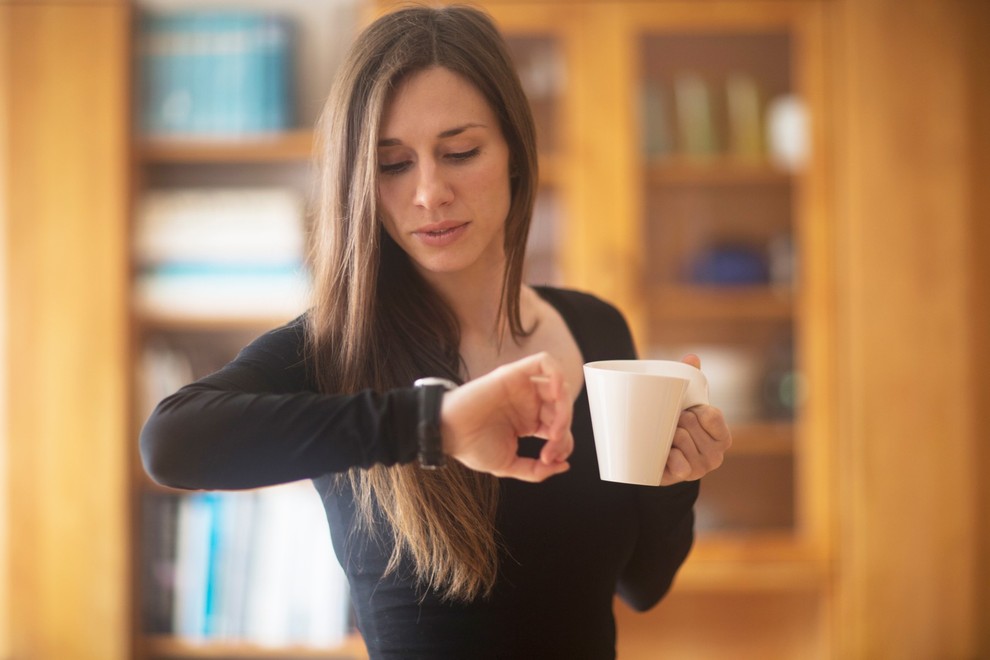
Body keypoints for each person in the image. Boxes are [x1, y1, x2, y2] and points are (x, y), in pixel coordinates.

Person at [140, 4, 732, 659]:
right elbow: (170, 442)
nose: (429, 192)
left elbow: (642, 584)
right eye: (393, 164)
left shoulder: (595, 326)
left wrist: (678, 480)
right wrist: (434, 424)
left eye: (459, 152)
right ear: (361, 180)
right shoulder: (334, 353)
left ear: (513, 151)